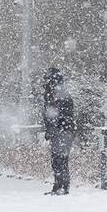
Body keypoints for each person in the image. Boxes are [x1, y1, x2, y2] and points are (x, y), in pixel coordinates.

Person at [42, 67, 77, 195]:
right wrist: (50, 128)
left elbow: (63, 114)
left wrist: (55, 127)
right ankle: (58, 186)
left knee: (60, 159)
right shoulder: (51, 94)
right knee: (56, 160)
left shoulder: (60, 94)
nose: (45, 81)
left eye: (47, 78)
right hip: (59, 131)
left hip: (63, 130)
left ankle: (63, 187)